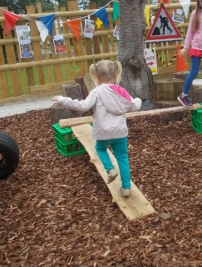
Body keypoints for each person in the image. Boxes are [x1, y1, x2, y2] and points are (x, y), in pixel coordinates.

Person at [52, 60, 142, 197]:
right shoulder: (122, 91)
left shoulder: (96, 92)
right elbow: (134, 106)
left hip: (103, 133)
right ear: (116, 73)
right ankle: (126, 188)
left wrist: (62, 99)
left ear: (95, 75)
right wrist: (138, 100)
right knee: (123, 158)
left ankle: (110, 169)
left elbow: (82, 106)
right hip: (120, 132)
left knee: (100, 148)